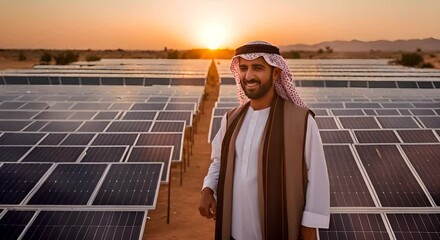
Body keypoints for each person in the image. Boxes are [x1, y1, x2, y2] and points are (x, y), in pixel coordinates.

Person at [199, 41, 330, 240]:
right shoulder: (230, 119)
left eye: (258, 68)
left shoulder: (301, 120)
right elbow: (218, 161)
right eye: (243, 68)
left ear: (276, 72)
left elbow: (317, 175)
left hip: (279, 229)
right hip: (234, 231)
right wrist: (208, 189)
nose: (249, 76)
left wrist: (310, 225)